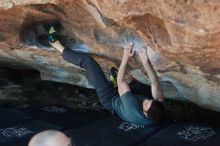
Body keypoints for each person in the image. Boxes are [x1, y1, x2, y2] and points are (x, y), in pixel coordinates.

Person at [40, 25, 165, 125]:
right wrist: (145, 60)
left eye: (146, 103)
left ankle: (55, 43)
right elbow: (155, 82)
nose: (147, 100)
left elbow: (122, 81)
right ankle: (114, 84)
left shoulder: (132, 107)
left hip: (110, 99)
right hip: (127, 98)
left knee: (89, 63)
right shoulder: (157, 107)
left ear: (145, 113)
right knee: (144, 86)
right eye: (150, 100)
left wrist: (126, 56)